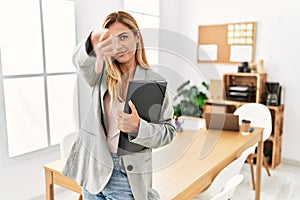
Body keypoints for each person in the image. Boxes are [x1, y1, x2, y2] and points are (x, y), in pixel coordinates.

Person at [62, 11, 176, 200]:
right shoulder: (101, 75)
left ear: (137, 37)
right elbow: (80, 62)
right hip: (94, 168)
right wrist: (92, 40)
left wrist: (139, 128)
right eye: (113, 40)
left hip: (127, 174)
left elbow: (168, 132)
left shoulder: (155, 82)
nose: (119, 46)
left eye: (124, 37)